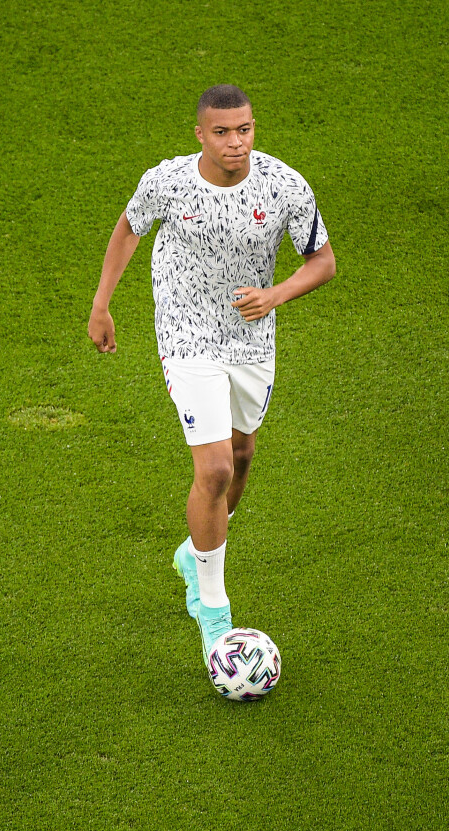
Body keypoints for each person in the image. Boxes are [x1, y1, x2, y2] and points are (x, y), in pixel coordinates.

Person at [88, 84, 336, 667]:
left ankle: (193, 553)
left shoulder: (283, 185)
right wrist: (102, 304)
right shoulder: (168, 182)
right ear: (200, 133)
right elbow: (129, 227)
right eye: (222, 132)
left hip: (251, 340)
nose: (236, 142)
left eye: (244, 129)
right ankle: (214, 609)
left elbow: (322, 261)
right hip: (186, 335)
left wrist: (275, 294)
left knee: (243, 457)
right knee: (217, 465)